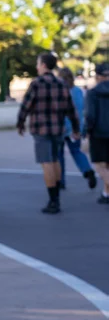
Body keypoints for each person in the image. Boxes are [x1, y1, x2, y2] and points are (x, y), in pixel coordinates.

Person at [17, 52, 81, 214]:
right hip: (58, 129)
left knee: (47, 163)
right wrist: (75, 128)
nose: (37, 67)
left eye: (38, 63)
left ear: (43, 65)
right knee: (55, 160)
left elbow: (26, 105)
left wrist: (20, 123)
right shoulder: (62, 83)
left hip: (41, 129)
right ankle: (57, 194)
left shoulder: (36, 84)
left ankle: (53, 201)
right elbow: (71, 109)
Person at [56, 68, 97, 190]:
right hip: (76, 127)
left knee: (59, 155)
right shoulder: (78, 91)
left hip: (60, 127)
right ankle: (87, 170)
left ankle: (61, 180)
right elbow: (83, 110)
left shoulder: (59, 91)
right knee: (77, 151)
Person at [84, 62, 109, 204]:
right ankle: (106, 194)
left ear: (98, 76)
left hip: (99, 133)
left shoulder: (92, 93)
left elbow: (90, 115)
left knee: (100, 166)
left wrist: (86, 131)